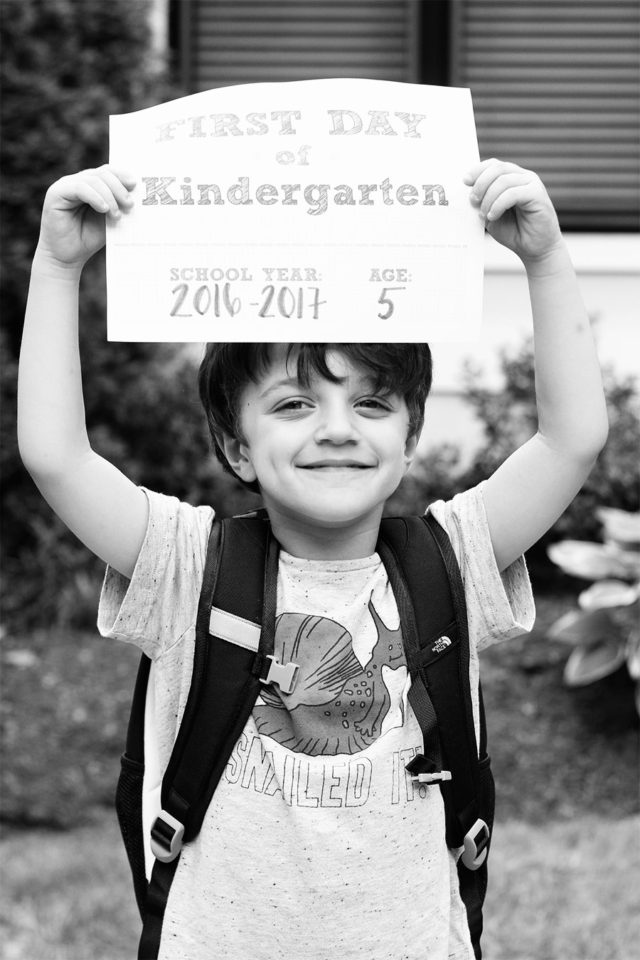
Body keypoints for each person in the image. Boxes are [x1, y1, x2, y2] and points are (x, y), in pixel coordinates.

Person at [18, 159, 608, 960]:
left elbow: (572, 440)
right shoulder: (187, 565)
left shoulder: (453, 561)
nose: (337, 428)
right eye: (294, 404)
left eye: (371, 403)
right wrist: (59, 267)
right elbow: (57, 457)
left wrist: (543, 258)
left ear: (410, 435)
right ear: (237, 445)